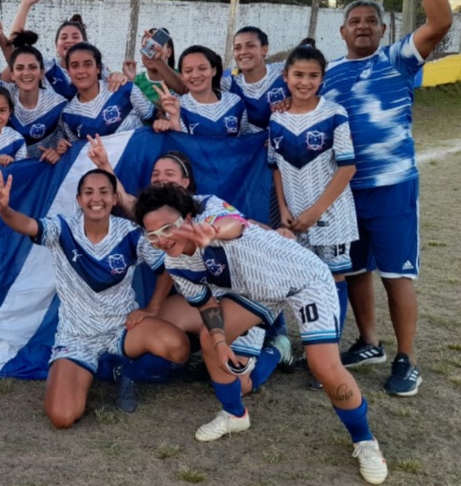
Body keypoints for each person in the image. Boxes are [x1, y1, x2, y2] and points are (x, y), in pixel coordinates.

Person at [133, 184, 388, 485]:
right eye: (153, 235)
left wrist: (211, 233)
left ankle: (365, 441)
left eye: (168, 228)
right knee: (209, 337)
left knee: (324, 366)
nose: (162, 239)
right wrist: (219, 341)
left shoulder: (210, 213)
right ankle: (235, 415)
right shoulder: (176, 263)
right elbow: (206, 304)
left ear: (187, 218)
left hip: (303, 279)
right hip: (255, 291)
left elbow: (233, 226)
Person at [321, 0, 452, 396]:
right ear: (341, 31)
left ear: (383, 28)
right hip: (346, 191)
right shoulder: (328, 75)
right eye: (353, 20)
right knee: (356, 269)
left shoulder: (398, 60)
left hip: (393, 186)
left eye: (370, 20)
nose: (361, 26)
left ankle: (407, 358)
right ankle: (370, 342)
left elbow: (439, 21)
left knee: (397, 273)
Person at [87, 140, 291, 388]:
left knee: (239, 385)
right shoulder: (154, 215)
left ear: (185, 182)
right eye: (155, 174)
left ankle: (277, 349)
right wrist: (105, 165)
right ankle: (198, 351)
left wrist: (277, 234)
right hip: (202, 298)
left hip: (239, 296)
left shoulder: (205, 205)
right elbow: (127, 201)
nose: (161, 179)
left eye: (169, 174)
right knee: (154, 327)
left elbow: (241, 223)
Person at [0, 168, 190, 422]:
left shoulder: (131, 233)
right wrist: (5, 210)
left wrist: (152, 308)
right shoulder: (61, 228)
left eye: (104, 192)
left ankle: (127, 372)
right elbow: (28, 225)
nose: (97, 198)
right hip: (77, 336)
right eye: (89, 192)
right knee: (62, 417)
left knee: (178, 347)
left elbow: (166, 268)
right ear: (79, 199)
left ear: (115, 199)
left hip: (122, 326)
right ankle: (89, 369)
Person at [269, 42, 357, 339]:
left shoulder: (334, 113)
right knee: (301, 280)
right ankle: (305, 342)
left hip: (331, 217)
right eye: (298, 74)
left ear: (322, 79)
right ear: (285, 76)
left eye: (313, 75)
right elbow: (276, 168)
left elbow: (347, 168)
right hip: (293, 216)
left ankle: (328, 349)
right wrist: (283, 209)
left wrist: (315, 211)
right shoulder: (276, 117)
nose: (305, 82)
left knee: (333, 278)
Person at [0, 31, 69, 162]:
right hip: (7, 169)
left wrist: (58, 151)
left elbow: (66, 140)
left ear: (42, 72)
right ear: (12, 74)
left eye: (32, 67)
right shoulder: (1, 92)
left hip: (43, 171)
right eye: (20, 68)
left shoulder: (58, 104)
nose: (26, 73)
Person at [59, 43, 153, 142]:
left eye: (88, 64)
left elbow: (156, 118)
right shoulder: (68, 115)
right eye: (75, 66)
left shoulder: (124, 89)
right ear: (68, 72)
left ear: (98, 68)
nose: (81, 71)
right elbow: (78, 151)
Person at [160, 46, 247, 137]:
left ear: (213, 70)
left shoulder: (234, 102)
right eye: (188, 71)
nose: (195, 75)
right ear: (181, 76)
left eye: (202, 68)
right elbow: (181, 145)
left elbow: (245, 141)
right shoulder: (177, 106)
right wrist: (174, 119)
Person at [222, 27, 291, 132]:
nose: (243, 52)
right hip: (251, 146)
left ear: (264, 49)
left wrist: (297, 101)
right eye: (237, 48)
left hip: (286, 144)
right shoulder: (228, 84)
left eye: (250, 46)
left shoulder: (284, 71)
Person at [122, 27, 186, 104]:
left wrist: (158, 61)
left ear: (169, 52)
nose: (151, 52)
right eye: (146, 47)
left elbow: (184, 90)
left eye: (156, 47)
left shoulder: (183, 77)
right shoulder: (136, 82)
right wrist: (129, 84)